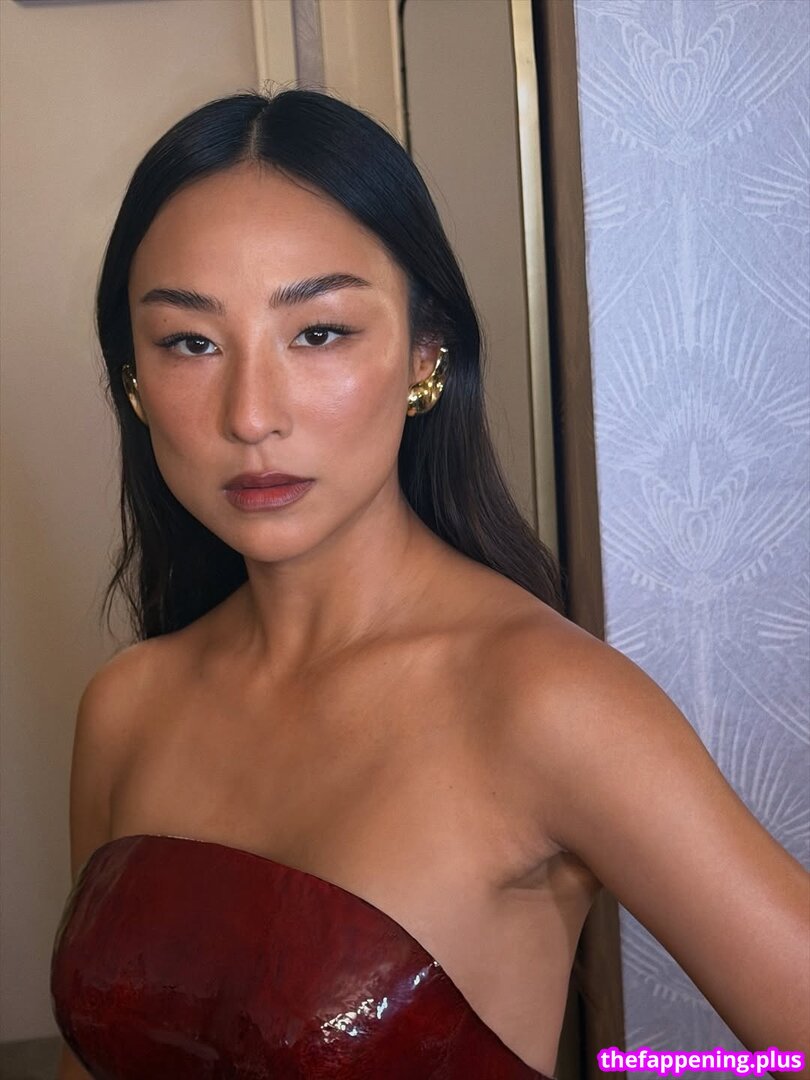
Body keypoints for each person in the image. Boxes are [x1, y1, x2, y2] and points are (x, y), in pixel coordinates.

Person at [50, 88, 809, 1080]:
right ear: (135, 382)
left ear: (425, 355)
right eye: (191, 342)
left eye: (319, 333)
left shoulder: (546, 703)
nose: (251, 414)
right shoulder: (126, 708)